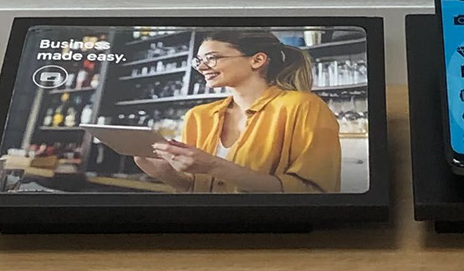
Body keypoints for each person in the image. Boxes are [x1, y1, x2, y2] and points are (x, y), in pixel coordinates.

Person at [136, 29, 341, 195]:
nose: (202, 68)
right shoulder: (198, 116)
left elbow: (313, 193)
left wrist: (214, 166)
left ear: (257, 60)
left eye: (212, 58)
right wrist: (167, 173)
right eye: (198, 61)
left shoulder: (303, 106)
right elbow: (195, 188)